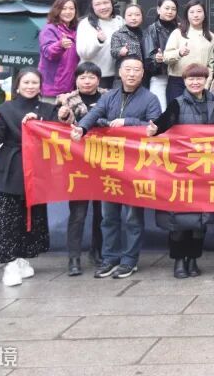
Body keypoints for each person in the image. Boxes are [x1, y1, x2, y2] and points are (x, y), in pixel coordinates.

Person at [72, 56, 161, 279]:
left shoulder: (150, 98)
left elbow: (155, 126)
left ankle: (129, 260)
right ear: (119, 72)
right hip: (110, 166)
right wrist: (82, 128)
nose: (132, 74)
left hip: (136, 168)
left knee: (132, 218)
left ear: (143, 74)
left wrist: (128, 122)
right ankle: (109, 258)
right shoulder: (108, 96)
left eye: (136, 70)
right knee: (108, 217)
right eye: (127, 69)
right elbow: (94, 115)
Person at [0, 67, 56, 286]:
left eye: (34, 83)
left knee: (31, 216)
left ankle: (22, 257)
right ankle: (10, 263)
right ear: (17, 85)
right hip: (10, 166)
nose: (30, 87)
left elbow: (57, 133)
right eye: (26, 83)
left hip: (37, 168)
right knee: (6, 216)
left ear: (41, 86)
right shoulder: (5, 108)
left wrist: (42, 121)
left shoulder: (48, 109)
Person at [146, 63, 214, 278]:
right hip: (181, 171)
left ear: (206, 80)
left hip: (206, 169)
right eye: (191, 79)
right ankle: (179, 261)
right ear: (184, 81)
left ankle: (193, 259)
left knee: (200, 222)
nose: (195, 82)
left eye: (199, 78)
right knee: (178, 221)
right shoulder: (177, 103)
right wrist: (156, 128)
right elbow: (167, 118)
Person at [55, 62, 105, 274]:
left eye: (91, 77)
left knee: (102, 213)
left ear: (98, 79)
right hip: (77, 163)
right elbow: (56, 126)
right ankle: (74, 258)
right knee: (78, 213)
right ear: (76, 80)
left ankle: (98, 251)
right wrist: (63, 116)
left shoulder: (109, 97)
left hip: (104, 162)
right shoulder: (65, 100)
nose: (87, 81)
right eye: (82, 77)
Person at [163, 0, 214, 102]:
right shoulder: (178, 33)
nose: (195, 15)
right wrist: (179, 53)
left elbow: (211, 65)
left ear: (204, 14)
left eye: (199, 11)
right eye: (191, 12)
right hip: (177, 81)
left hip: (199, 82)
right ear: (187, 15)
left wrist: (206, 84)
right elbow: (166, 58)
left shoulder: (212, 37)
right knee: (176, 111)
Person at [76, 0, 122, 89]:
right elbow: (84, 53)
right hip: (92, 77)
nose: (103, 7)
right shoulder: (85, 24)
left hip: (117, 76)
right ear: (92, 7)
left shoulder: (120, 22)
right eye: (97, 4)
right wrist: (99, 41)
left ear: (112, 3)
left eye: (106, 2)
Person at [38, 0, 79, 102]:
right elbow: (48, 52)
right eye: (64, 8)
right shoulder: (50, 29)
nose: (68, 12)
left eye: (71, 8)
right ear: (57, 10)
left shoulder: (76, 31)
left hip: (69, 91)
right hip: (51, 90)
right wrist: (60, 45)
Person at [144, 0, 179, 108]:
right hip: (160, 77)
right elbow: (148, 59)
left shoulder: (180, 29)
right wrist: (156, 59)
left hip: (179, 76)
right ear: (158, 10)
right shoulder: (151, 30)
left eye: (173, 9)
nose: (170, 11)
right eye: (167, 8)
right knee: (160, 110)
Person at [109, 3, 149, 68]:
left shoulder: (147, 33)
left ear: (142, 17)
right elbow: (113, 51)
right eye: (129, 15)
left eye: (137, 15)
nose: (133, 18)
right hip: (127, 70)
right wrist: (120, 51)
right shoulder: (118, 34)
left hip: (145, 70)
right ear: (124, 17)